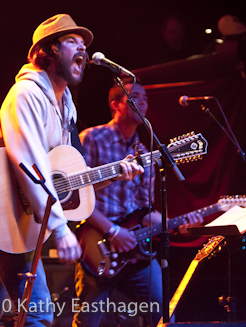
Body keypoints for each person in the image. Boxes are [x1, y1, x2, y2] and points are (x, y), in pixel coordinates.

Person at [0, 14, 142, 327]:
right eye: (72, 41)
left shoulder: (66, 102)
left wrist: (113, 173)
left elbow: (65, 175)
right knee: (38, 312)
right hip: (3, 208)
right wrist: (59, 227)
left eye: (84, 43)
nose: (82, 47)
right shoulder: (26, 95)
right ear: (48, 50)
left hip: (20, 218)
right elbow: (29, 163)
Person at [72, 78, 203, 327]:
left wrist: (177, 225)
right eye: (134, 98)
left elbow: (144, 210)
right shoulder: (92, 138)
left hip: (134, 252)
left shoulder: (146, 151)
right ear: (115, 105)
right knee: (87, 321)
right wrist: (112, 231)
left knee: (165, 316)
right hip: (96, 243)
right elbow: (77, 196)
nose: (142, 103)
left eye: (145, 99)